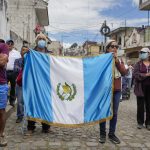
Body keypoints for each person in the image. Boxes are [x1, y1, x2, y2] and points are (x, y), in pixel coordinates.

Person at [99, 39, 127, 144]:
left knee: (114, 113)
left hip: (116, 90)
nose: (115, 48)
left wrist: (116, 62)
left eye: (116, 46)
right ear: (107, 48)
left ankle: (112, 134)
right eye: (112, 46)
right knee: (103, 112)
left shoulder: (120, 59)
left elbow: (124, 72)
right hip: (104, 90)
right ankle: (102, 134)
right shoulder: (102, 59)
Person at [24, 33, 52, 135]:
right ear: (36, 41)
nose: (41, 40)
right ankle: (30, 127)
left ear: (46, 41)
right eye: (39, 38)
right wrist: (24, 54)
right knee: (32, 103)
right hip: (33, 81)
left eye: (43, 39)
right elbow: (24, 63)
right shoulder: (31, 52)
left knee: (46, 103)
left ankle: (46, 127)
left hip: (46, 83)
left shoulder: (50, 54)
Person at [133, 47, 150, 130]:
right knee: (140, 106)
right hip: (140, 87)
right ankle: (140, 122)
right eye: (141, 52)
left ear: (148, 53)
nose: (142, 54)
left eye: (143, 52)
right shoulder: (138, 64)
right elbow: (135, 75)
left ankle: (148, 123)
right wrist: (145, 75)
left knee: (149, 105)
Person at [6, 40, 21, 107]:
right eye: (8, 43)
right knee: (4, 87)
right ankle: (4, 100)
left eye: (11, 43)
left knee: (13, 87)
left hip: (14, 73)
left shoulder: (17, 53)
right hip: (4, 72)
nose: (10, 45)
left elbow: (20, 62)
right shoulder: (3, 51)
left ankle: (12, 101)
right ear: (6, 44)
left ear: (13, 45)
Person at [0, 40, 9, 147]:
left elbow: (2, 62)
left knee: (1, 111)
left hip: (1, 85)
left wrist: (2, 58)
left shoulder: (3, 46)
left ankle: (1, 135)